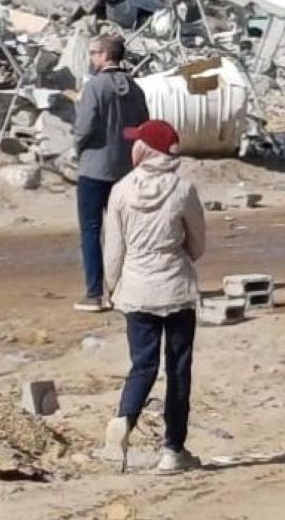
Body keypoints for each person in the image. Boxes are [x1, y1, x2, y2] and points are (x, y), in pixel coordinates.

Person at [100, 119, 207, 474]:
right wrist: (179, 255)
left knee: (142, 365)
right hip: (175, 288)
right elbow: (198, 245)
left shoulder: (120, 190)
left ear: (145, 149)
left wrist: (112, 286)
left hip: (136, 289)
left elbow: (113, 249)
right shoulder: (183, 190)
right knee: (178, 369)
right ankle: (173, 450)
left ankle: (123, 420)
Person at [73, 35, 150, 313]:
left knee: (92, 231)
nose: (91, 58)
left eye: (94, 53)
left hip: (94, 169)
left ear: (105, 55)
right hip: (126, 170)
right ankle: (128, 288)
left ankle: (95, 293)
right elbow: (142, 130)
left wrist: (77, 149)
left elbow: (84, 127)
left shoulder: (95, 87)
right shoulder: (135, 89)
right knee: (127, 232)